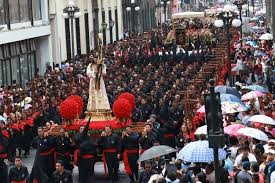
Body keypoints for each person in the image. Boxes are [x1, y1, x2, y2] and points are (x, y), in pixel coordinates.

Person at [74, 119, 96, 183]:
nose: (82, 130)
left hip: (88, 157)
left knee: (90, 173)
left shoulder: (89, 137)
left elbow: (92, 145)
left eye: (83, 129)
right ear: (79, 130)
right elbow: (76, 141)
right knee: (82, 172)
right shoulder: (77, 136)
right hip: (81, 157)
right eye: (81, 128)